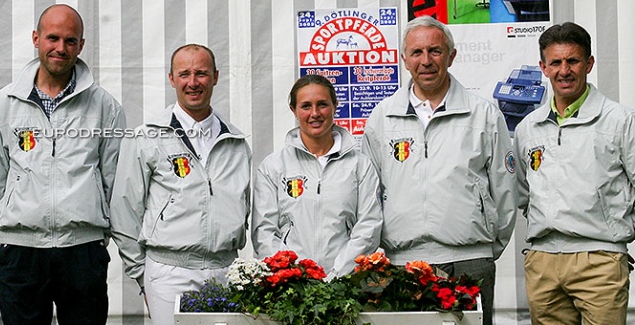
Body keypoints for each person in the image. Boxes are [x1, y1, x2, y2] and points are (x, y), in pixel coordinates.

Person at [361, 16, 517, 325]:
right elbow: (368, 195)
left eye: (435, 51)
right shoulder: (382, 117)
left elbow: (506, 188)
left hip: (469, 260)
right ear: (404, 60)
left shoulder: (483, 113)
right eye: (417, 53)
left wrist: (485, 248)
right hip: (401, 264)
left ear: (451, 56)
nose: (426, 61)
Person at [0, 4, 126, 325]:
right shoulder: (3, 105)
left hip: (82, 251)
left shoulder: (105, 106)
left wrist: (94, 227)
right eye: (52, 38)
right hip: (21, 252)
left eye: (70, 40)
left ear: (81, 45)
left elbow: (113, 179)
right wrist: (10, 225)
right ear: (36, 38)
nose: (61, 48)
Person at [110, 44, 251, 325]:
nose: (193, 82)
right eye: (184, 74)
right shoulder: (148, 136)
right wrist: (141, 274)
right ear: (172, 79)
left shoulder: (236, 141)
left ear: (215, 77)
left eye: (201, 73)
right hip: (169, 271)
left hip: (225, 268)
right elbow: (123, 211)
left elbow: (243, 205)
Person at [514, 22, 635, 325]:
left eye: (573, 61)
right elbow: (523, 193)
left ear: (589, 64)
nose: (564, 70)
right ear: (543, 67)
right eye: (555, 62)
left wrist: (614, 238)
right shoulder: (529, 127)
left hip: (600, 259)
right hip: (543, 261)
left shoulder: (620, 120)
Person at [252, 74, 382, 278]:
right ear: (293, 110)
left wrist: (337, 276)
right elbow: (264, 232)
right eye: (305, 106)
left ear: (335, 106)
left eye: (322, 104)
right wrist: (294, 276)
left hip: (345, 285)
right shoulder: (274, 166)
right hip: (291, 288)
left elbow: (369, 227)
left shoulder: (360, 165)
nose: (315, 114)